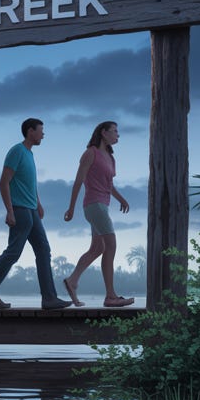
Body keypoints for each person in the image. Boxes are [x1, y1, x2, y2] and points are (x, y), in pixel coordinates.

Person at [0, 118, 73, 310]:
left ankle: (49, 298)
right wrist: (9, 211)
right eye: (41, 131)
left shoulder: (29, 154)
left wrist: (38, 203)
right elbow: (4, 182)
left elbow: (29, 182)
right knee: (13, 252)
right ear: (31, 131)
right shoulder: (17, 151)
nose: (43, 134)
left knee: (44, 250)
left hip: (31, 210)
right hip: (20, 210)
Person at [62, 121, 135, 307]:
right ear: (103, 133)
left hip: (103, 205)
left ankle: (72, 280)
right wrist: (71, 208)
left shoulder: (110, 158)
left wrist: (121, 199)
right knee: (111, 245)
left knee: (98, 248)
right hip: (94, 206)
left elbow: (109, 185)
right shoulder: (90, 153)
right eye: (114, 131)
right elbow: (78, 181)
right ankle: (110, 296)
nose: (118, 135)